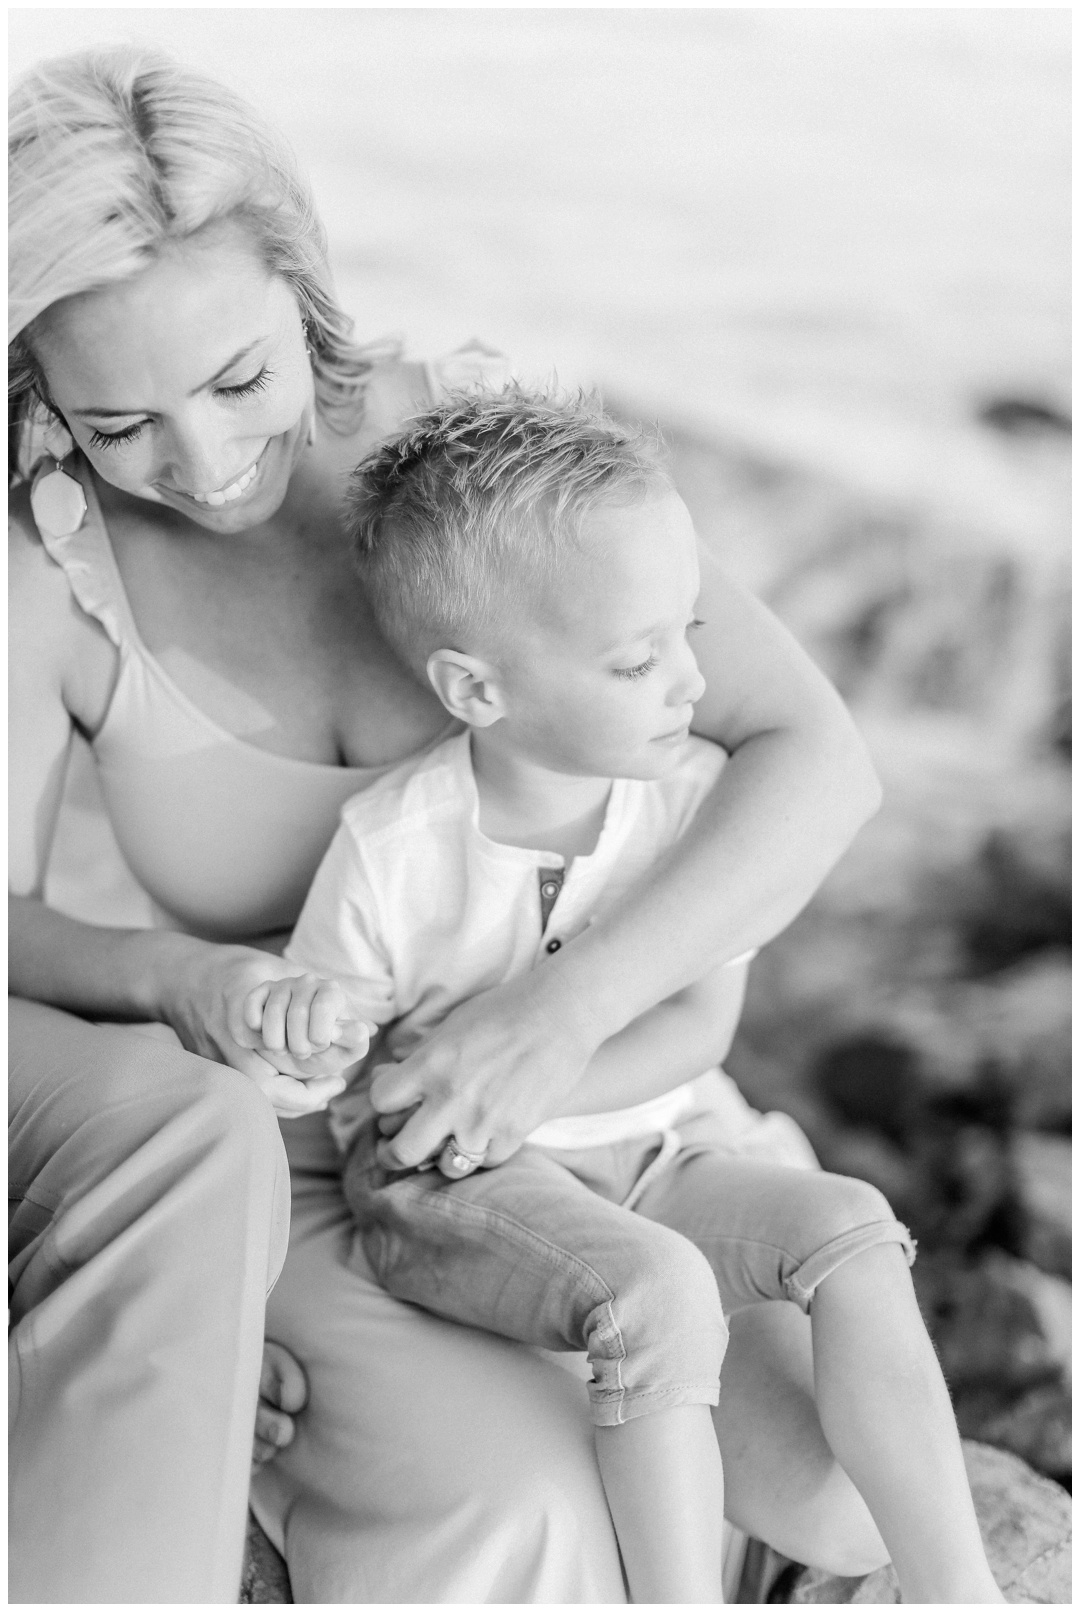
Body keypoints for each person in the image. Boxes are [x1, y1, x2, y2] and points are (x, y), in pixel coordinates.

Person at [9, 45, 891, 1604]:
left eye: (235, 380)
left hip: (607, 1104)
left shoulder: (480, 455)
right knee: (530, 1521)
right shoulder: (51, 562)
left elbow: (813, 753)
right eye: (118, 419)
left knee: (837, 1491)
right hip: (327, 1166)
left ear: (303, 280)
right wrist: (178, 980)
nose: (202, 468)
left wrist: (565, 1018)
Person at [252, 389, 1004, 1605]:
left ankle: (959, 1584)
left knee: (856, 1227)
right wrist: (306, 1031)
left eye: (689, 631)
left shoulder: (692, 805)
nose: (693, 682)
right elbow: (330, 1076)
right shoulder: (395, 845)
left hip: (651, 1148)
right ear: (479, 690)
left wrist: (544, 1079)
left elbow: (699, 1026)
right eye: (636, 658)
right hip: (452, 1187)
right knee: (655, 1292)